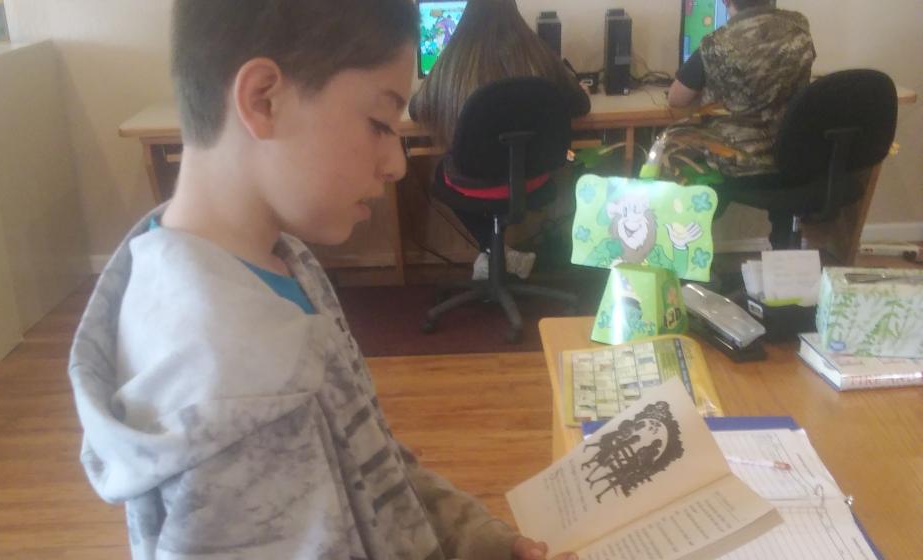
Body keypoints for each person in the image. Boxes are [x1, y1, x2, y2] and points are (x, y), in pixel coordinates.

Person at [67, 1, 575, 559]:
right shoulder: (234, 385)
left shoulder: (281, 263)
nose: (398, 164)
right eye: (380, 124)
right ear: (264, 99)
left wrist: (480, 544)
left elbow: (368, 461)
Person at [409, 0, 590, 281]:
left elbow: (415, 109)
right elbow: (580, 105)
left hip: (472, 184)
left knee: (440, 173)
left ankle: (495, 252)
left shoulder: (451, 62)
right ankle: (501, 254)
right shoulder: (539, 56)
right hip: (532, 180)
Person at [667, 0, 816, 177]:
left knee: (670, 153)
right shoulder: (799, 28)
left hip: (734, 167)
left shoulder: (715, 44)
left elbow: (676, 99)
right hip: (789, 161)